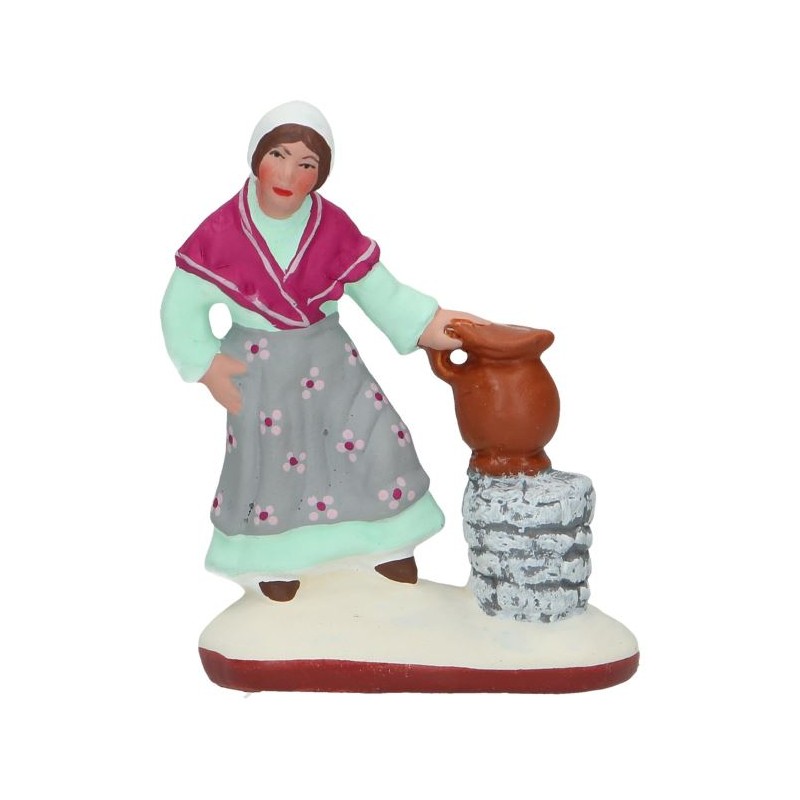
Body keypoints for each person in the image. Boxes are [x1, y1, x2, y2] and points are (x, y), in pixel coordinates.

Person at [161, 101, 478, 602]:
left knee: (377, 439)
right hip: (261, 373)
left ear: (321, 174)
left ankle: (385, 543)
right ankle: (274, 559)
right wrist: (205, 364)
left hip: (331, 362)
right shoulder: (221, 231)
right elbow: (180, 305)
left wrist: (430, 324)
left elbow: (379, 290)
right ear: (257, 158)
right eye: (278, 156)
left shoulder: (331, 226)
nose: (289, 175)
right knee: (273, 472)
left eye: (306, 163)